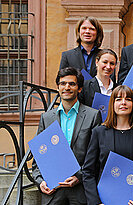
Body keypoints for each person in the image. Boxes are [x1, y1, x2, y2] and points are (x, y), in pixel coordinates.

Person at [32, 67, 102, 204]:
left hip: (80, 189)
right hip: (53, 190)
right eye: (63, 83)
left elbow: (97, 154)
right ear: (58, 87)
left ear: (79, 88)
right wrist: (40, 181)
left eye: (72, 84)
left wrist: (79, 176)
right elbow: (38, 155)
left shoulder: (93, 116)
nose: (67, 87)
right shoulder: (46, 118)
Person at [83, 85, 133, 205]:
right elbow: (88, 171)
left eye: (128, 99)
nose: (123, 103)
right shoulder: (99, 132)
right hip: (104, 201)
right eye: (118, 99)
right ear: (112, 104)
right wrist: (96, 202)